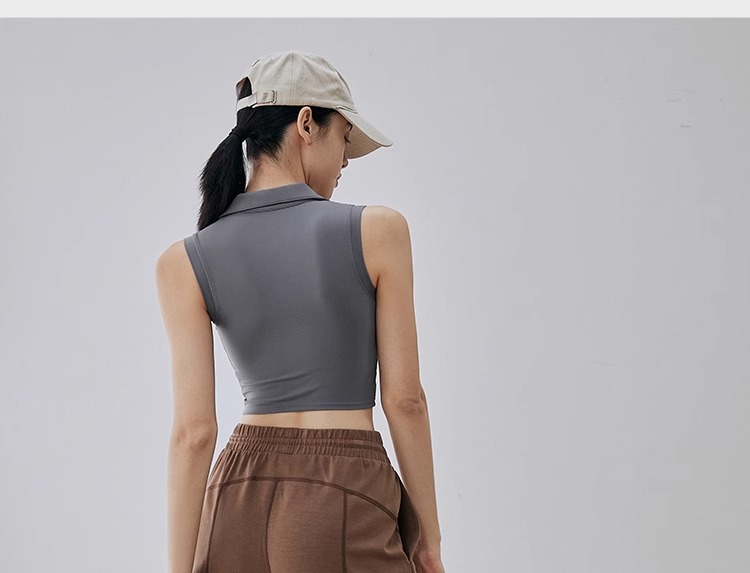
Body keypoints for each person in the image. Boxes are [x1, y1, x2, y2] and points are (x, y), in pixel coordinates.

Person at [155, 50, 444, 573]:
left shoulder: (184, 260)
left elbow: (193, 433)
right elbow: (405, 402)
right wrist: (428, 542)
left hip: (234, 497)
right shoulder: (378, 231)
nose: (346, 161)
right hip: (342, 489)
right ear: (307, 124)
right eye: (344, 139)